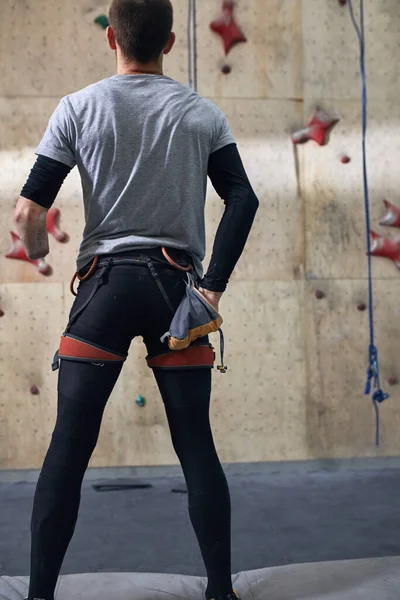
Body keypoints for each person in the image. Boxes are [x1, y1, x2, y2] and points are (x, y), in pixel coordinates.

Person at [14, 1, 259, 599]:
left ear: (111, 40)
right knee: (194, 442)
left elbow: (27, 213)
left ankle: (41, 595)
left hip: (103, 288)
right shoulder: (201, 112)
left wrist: (42, 248)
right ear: (171, 43)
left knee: (68, 446)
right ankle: (221, 593)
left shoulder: (78, 107)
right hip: (178, 293)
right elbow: (243, 200)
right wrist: (211, 289)